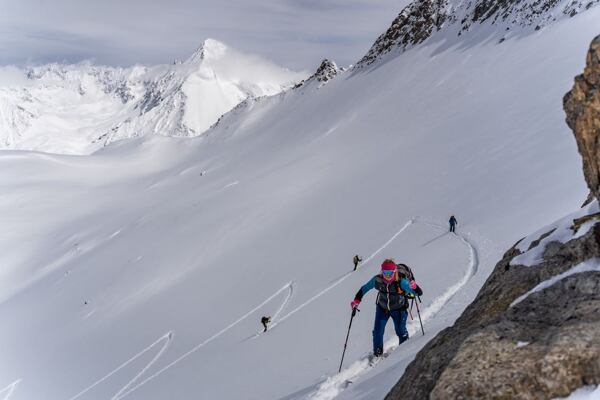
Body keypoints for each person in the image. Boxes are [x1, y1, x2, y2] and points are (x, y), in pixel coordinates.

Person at [350, 259, 422, 357]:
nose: (387, 276)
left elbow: (418, 293)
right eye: (385, 273)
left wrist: (414, 287)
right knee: (377, 332)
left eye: (390, 273)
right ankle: (377, 353)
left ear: (395, 272)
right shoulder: (378, 280)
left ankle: (403, 352)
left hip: (399, 309)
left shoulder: (401, 282)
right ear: (382, 271)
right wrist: (356, 301)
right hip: (382, 308)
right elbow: (364, 289)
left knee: (400, 331)